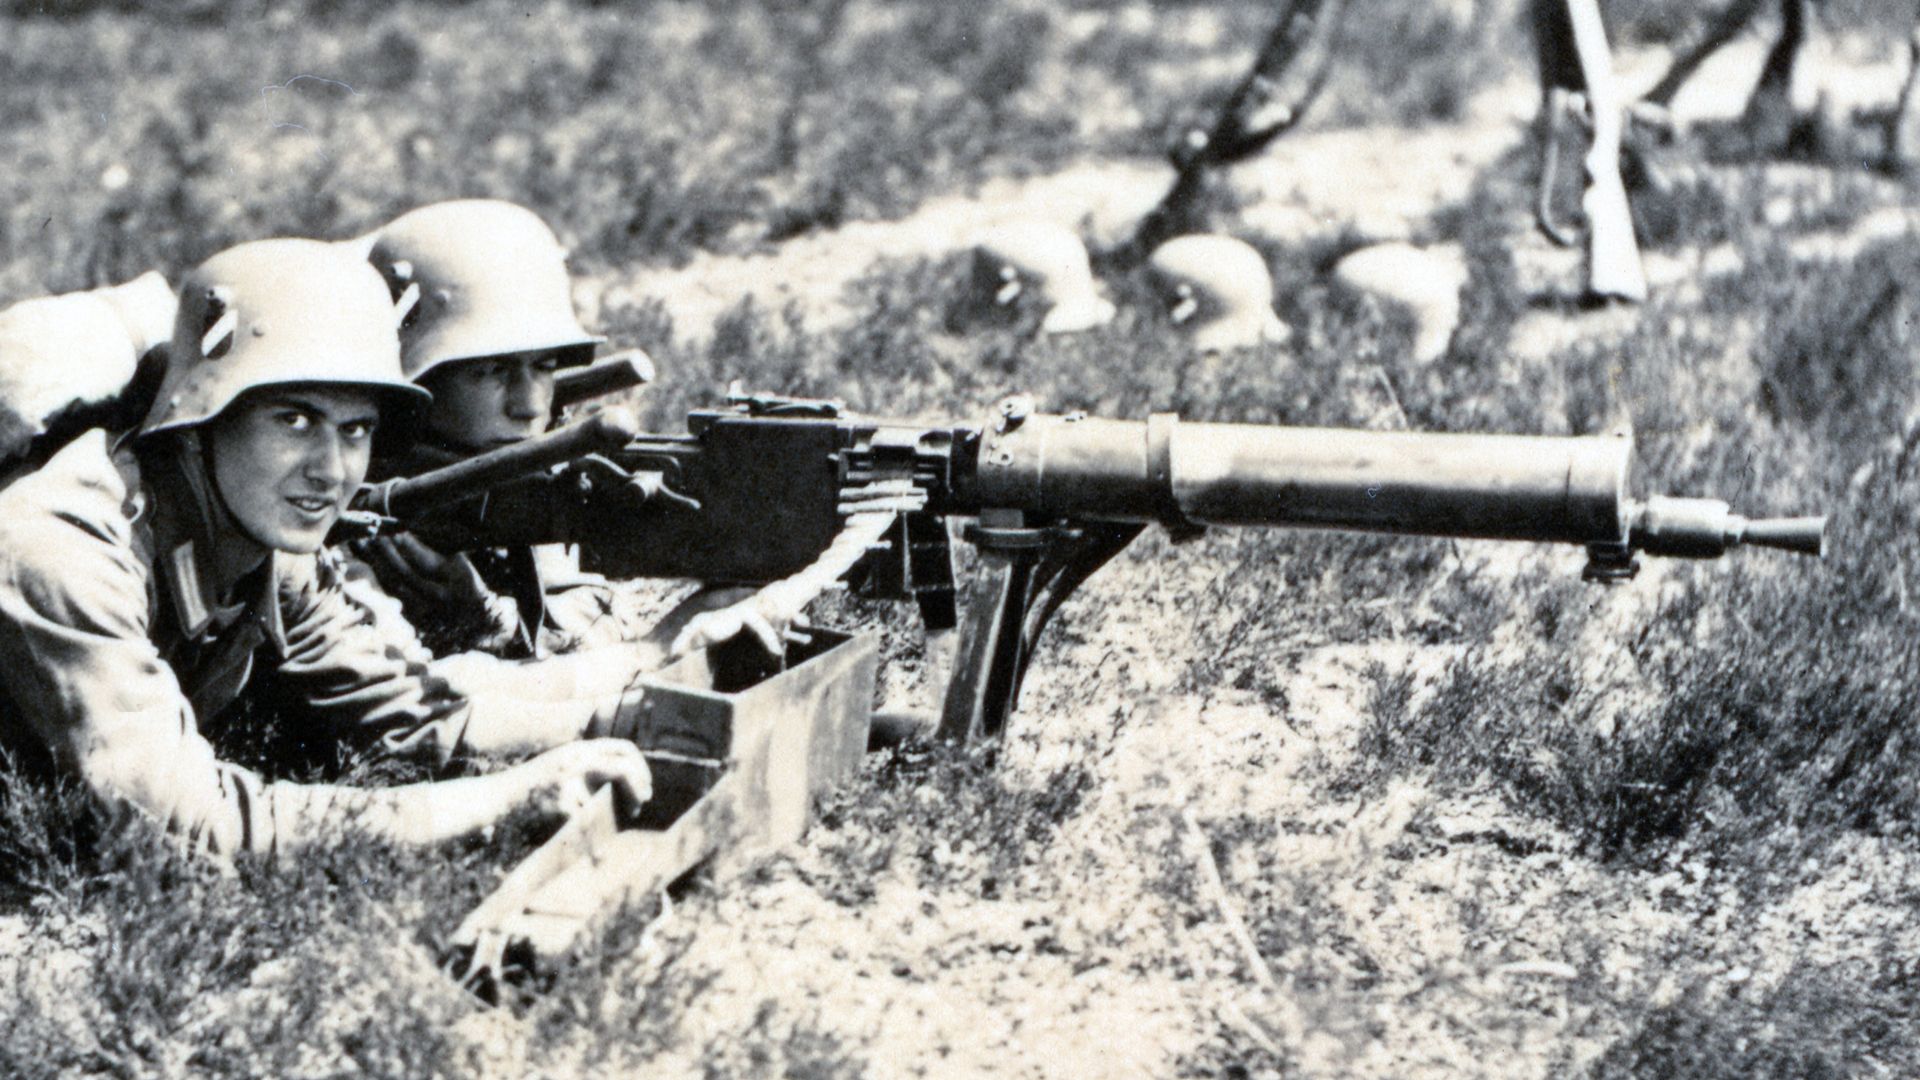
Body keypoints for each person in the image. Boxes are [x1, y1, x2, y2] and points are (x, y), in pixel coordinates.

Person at [0, 238, 652, 858]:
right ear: (198, 419)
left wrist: (643, 699)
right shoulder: (65, 550)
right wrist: (497, 803)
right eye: (295, 420)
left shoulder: (269, 545)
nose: (331, 469)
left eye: (355, 429)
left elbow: (411, 717)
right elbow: (187, 823)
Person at [349, 200, 796, 681]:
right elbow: (418, 720)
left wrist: (490, 618)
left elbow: (590, 613)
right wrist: (481, 624)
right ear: (416, 379)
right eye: (491, 371)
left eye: (544, 367)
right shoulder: (351, 517)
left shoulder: (524, 483)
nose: (527, 405)